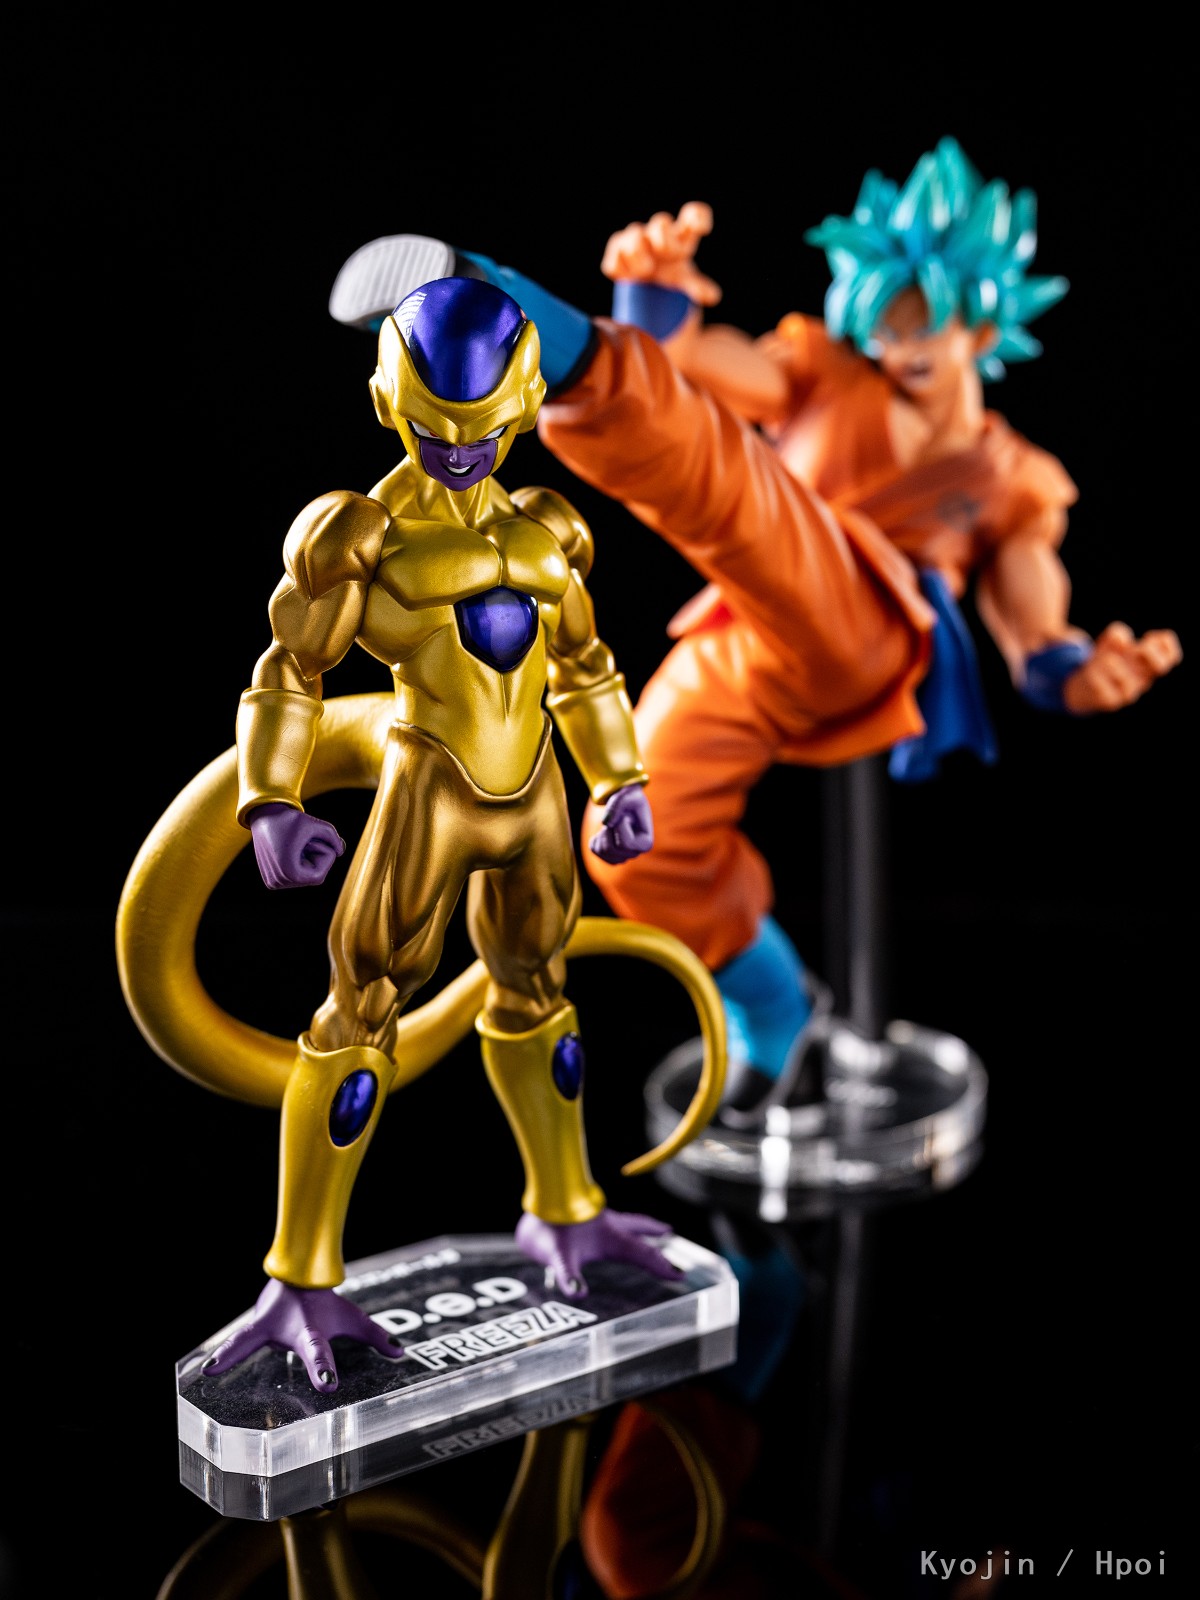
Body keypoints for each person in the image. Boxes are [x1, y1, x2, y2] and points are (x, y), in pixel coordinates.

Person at [326, 138, 1181, 1116]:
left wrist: (1067, 665)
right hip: (755, 632)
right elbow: (693, 369)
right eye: (886, 315)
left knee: (736, 492)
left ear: (982, 326)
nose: (899, 338)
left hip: (868, 633)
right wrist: (655, 299)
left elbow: (1030, 604)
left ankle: (500, 305)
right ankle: (780, 1010)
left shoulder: (1007, 475)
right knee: (632, 838)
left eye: (924, 317)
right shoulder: (826, 372)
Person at [202, 276, 693, 1393]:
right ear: (392, 401)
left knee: (541, 990)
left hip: (535, 794)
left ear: (522, 406)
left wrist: (619, 778)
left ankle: (564, 1206)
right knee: (360, 1010)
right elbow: (289, 668)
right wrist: (271, 801)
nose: (460, 450)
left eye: (480, 429)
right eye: (437, 428)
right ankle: (301, 1276)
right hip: (428, 787)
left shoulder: (549, 527)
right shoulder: (358, 534)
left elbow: (584, 667)